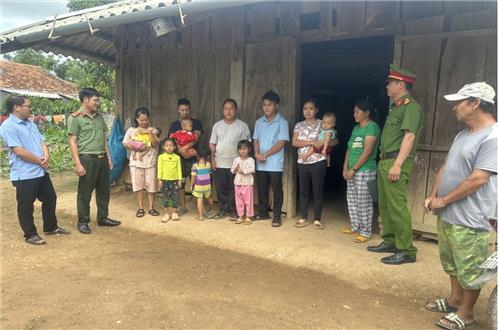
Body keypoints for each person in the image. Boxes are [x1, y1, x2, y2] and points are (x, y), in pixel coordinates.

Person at [422, 82, 497, 330]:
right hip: (448, 212)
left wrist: (444, 199)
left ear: (475, 103)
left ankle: (466, 313)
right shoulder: (463, 134)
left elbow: (479, 178)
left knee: (470, 266)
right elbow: (447, 166)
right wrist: (433, 195)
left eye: (460, 102)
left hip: (472, 216)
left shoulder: (493, 137)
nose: (455, 107)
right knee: (451, 261)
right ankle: (455, 299)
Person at [366, 65, 423, 265]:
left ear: (401, 84)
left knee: (397, 206)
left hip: (396, 160)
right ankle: (390, 240)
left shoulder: (411, 107)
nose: (387, 86)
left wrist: (398, 164)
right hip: (386, 160)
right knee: (385, 204)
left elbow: (409, 136)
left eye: (390, 83)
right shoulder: (396, 107)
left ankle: (406, 249)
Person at [0, 95, 70, 244]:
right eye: (28, 106)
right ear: (17, 107)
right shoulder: (8, 126)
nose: (31, 109)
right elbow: (18, 150)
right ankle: (30, 234)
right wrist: (39, 160)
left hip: (40, 170)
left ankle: (51, 227)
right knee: (26, 204)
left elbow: (41, 140)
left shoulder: (30, 123)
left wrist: (46, 155)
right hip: (24, 173)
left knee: (50, 197)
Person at [68, 88, 121, 234]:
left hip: (102, 158)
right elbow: (72, 141)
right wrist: (78, 163)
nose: (98, 103)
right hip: (87, 158)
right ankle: (83, 221)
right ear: (85, 100)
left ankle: (103, 218)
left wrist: (109, 158)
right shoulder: (75, 118)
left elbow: (104, 139)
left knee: (104, 190)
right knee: (85, 192)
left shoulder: (99, 117)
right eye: (95, 100)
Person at [292, 99, 335, 230]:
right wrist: (312, 142)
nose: (308, 111)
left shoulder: (323, 123)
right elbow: (294, 142)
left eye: (311, 108)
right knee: (303, 191)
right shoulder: (299, 125)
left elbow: (335, 141)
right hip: (302, 162)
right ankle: (303, 217)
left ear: (316, 110)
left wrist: (324, 143)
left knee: (317, 191)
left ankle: (317, 219)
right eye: (305, 108)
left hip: (318, 161)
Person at [342, 100, 381, 243]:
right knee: (352, 199)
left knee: (364, 201)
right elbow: (349, 148)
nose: (354, 114)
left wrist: (354, 169)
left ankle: (365, 232)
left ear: (367, 113)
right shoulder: (356, 128)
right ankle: (355, 227)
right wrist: (345, 167)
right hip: (352, 169)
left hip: (365, 170)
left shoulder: (372, 127)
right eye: (354, 112)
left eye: (357, 112)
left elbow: (368, 151)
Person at [209, 98, 251, 220]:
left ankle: (234, 211)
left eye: (231, 108)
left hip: (236, 163)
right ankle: (223, 209)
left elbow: (247, 145)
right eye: (226, 109)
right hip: (220, 162)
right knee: (221, 188)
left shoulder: (242, 126)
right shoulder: (217, 126)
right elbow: (212, 145)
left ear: (235, 110)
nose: (228, 111)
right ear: (223, 110)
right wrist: (212, 159)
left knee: (235, 188)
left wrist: (244, 162)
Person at [253, 90, 289, 227]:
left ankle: (277, 216)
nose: (266, 107)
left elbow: (281, 143)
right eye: (264, 105)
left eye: (270, 105)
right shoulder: (258, 122)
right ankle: (263, 213)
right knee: (261, 188)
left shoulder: (282, 122)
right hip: (260, 162)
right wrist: (256, 154)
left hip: (274, 163)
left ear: (276, 106)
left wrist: (265, 155)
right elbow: (255, 139)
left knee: (276, 189)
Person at [123, 107, 160, 218]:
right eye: (141, 120)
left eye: (146, 120)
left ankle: (151, 208)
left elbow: (154, 144)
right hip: (136, 163)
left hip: (150, 162)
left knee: (152, 186)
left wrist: (149, 133)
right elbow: (125, 143)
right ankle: (140, 208)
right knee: (138, 186)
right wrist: (136, 148)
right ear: (137, 119)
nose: (144, 122)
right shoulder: (131, 130)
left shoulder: (153, 130)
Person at [167, 98, 203, 215]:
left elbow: (195, 137)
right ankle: (183, 205)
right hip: (178, 159)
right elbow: (171, 140)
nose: (185, 112)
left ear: (190, 109)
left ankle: (199, 206)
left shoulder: (196, 123)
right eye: (182, 110)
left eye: (187, 110)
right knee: (181, 183)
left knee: (197, 181)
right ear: (178, 110)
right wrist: (181, 150)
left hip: (193, 157)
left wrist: (185, 148)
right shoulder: (174, 125)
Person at [157, 138, 183, 222]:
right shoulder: (161, 157)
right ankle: (166, 213)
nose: (169, 147)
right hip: (164, 180)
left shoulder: (177, 157)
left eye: (171, 145)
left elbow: (179, 169)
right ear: (163, 147)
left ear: (175, 147)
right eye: (167, 145)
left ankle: (174, 213)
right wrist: (159, 179)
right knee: (164, 196)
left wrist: (179, 180)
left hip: (174, 180)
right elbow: (159, 168)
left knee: (175, 196)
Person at [231, 140, 256, 225]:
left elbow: (252, 169)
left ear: (249, 149)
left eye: (244, 149)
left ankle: (249, 216)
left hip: (247, 183)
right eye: (240, 149)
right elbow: (232, 170)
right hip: (237, 182)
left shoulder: (251, 160)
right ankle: (241, 215)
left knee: (248, 200)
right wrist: (235, 169)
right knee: (239, 201)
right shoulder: (236, 160)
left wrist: (243, 171)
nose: (242, 151)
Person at [190, 149, 215, 220]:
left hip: (199, 186)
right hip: (207, 185)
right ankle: (212, 209)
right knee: (209, 197)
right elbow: (210, 174)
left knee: (199, 200)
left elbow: (193, 177)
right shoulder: (208, 164)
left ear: (197, 155)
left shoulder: (195, 165)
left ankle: (200, 216)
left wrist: (191, 185)